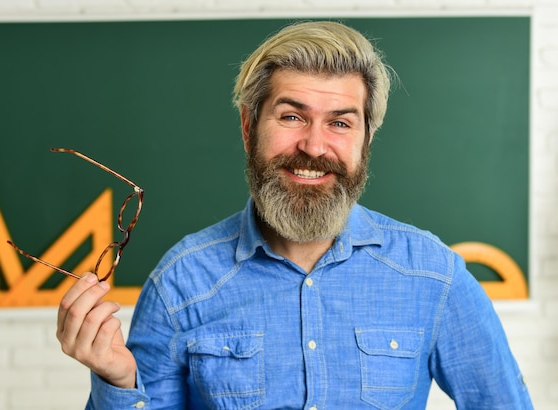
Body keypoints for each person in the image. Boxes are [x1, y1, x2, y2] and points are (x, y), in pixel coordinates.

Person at [56, 21, 534, 409]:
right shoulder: (182, 282)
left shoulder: (435, 275)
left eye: (341, 123)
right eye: (291, 116)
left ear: (366, 139)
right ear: (248, 127)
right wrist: (117, 380)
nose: (313, 146)